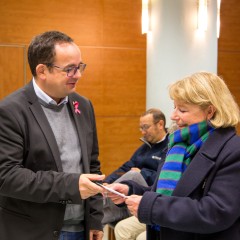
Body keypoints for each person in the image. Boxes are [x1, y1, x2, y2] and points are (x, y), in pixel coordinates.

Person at [107, 72, 240, 240]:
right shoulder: (178, 145)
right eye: (174, 107)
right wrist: (131, 190)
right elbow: (168, 193)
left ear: (210, 111)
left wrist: (151, 206)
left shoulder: (233, 151)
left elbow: (215, 212)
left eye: (182, 110)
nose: (173, 116)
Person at [0, 31, 106, 240]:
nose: (78, 75)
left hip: (80, 228)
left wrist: (95, 218)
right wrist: (70, 186)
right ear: (42, 71)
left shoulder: (83, 105)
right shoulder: (11, 110)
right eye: (69, 69)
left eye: (80, 67)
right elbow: (7, 176)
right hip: (33, 230)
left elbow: (92, 165)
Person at [102, 109, 168, 225]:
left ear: (160, 124)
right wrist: (107, 182)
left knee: (134, 174)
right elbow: (126, 167)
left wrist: (143, 173)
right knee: (128, 175)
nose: (143, 132)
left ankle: (96, 212)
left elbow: (164, 177)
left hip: (153, 194)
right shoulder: (144, 147)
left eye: (146, 127)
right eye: (141, 128)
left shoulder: (170, 147)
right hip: (134, 193)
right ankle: (100, 208)